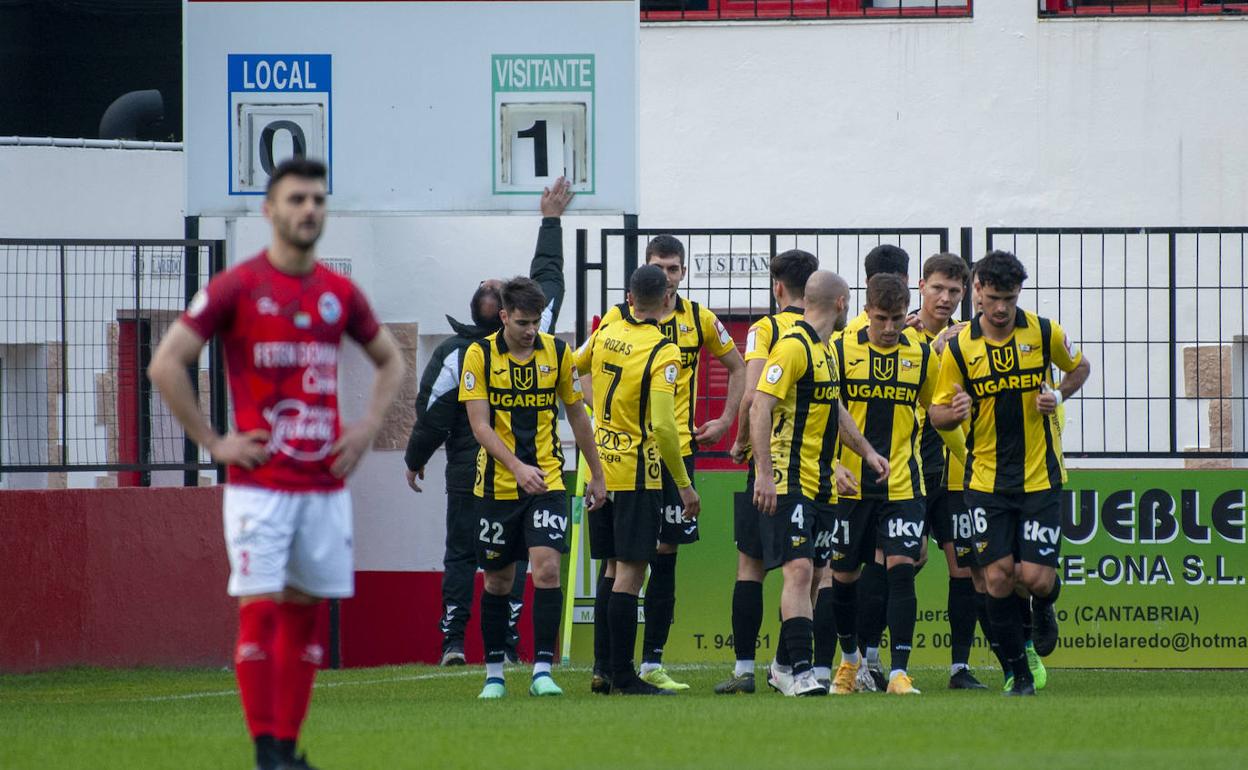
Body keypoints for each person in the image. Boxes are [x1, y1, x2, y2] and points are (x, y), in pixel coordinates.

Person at [148, 157, 405, 770]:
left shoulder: (337, 294)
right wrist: (213, 441)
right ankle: (267, 751)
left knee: (305, 616)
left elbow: (391, 362)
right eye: (296, 199)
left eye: (317, 199)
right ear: (271, 210)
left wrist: (366, 427)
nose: (308, 209)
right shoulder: (238, 286)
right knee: (261, 608)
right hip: (260, 484)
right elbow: (166, 363)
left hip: (323, 486)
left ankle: (288, 749)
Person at [403, 178, 574, 666]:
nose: (528, 320)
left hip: (475, 470)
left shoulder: (468, 349)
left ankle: (456, 642)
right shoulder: (479, 351)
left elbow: (431, 414)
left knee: (466, 555)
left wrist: (416, 459)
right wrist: (550, 221)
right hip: (484, 471)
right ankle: (502, 647)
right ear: (502, 314)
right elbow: (551, 279)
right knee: (512, 559)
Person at [928, 250, 1092, 696]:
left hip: (1040, 477)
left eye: (1011, 298)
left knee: (1034, 578)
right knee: (997, 576)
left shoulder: (1043, 331)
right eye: (995, 297)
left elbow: (1080, 367)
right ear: (977, 291)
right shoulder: (959, 347)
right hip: (985, 481)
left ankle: (1044, 606)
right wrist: (953, 411)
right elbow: (937, 412)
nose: (1002, 308)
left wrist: (1058, 396)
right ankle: (1019, 675)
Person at [591, 235, 745, 691]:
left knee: (663, 556)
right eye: (660, 266)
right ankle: (607, 666)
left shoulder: (699, 319)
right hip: (633, 458)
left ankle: (650, 661)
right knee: (617, 562)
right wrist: (602, 412)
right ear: (647, 271)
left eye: (674, 268)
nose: (668, 275)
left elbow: (737, 367)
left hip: (676, 452)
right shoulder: (618, 319)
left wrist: (724, 419)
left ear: (683, 272)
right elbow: (579, 367)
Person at [460, 276, 606, 699]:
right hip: (496, 487)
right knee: (498, 583)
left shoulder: (558, 353)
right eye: (523, 322)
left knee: (546, 569)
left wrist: (596, 474)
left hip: (548, 482)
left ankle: (543, 669)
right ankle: (494, 674)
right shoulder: (480, 356)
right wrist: (515, 465)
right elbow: (479, 425)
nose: (530, 330)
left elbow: (577, 414)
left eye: (536, 321)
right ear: (503, 316)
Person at [748, 271, 888, 697]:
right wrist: (765, 473)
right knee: (800, 568)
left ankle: (780, 666)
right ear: (843, 303)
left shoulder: (824, 351)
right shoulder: (792, 347)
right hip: (789, 478)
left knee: (816, 574)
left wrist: (866, 452)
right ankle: (805, 672)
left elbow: (836, 411)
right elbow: (759, 407)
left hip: (821, 484)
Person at [828, 273, 958, 696]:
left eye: (897, 318)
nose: (888, 327)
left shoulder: (922, 354)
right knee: (844, 577)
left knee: (901, 571)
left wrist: (958, 421)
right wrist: (831, 465)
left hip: (904, 483)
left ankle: (900, 672)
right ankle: (849, 664)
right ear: (866, 311)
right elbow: (822, 415)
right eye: (881, 317)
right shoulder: (839, 350)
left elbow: (934, 412)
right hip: (850, 486)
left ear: (908, 315)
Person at [574, 264, 702, 695]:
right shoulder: (663, 350)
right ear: (667, 299)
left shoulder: (609, 331)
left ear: (630, 297)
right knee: (631, 572)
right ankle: (626, 675)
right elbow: (666, 428)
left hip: (601, 469)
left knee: (610, 568)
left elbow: (573, 366)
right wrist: (684, 484)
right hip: (637, 474)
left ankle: (604, 668)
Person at [714, 248, 819, 695]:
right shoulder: (823, 334)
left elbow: (753, 393)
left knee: (751, 566)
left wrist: (740, 443)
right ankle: (786, 663)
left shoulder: (767, 328)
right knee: (808, 571)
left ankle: (745, 670)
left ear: (777, 286)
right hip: (814, 467)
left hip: (769, 464)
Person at [909, 253, 989, 689]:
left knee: (964, 568)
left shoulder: (968, 341)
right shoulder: (899, 333)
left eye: (954, 291)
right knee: (904, 561)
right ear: (921, 285)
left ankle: (959, 667)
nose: (945, 298)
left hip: (955, 473)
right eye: (938, 288)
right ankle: (869, 658)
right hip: (907, 471)